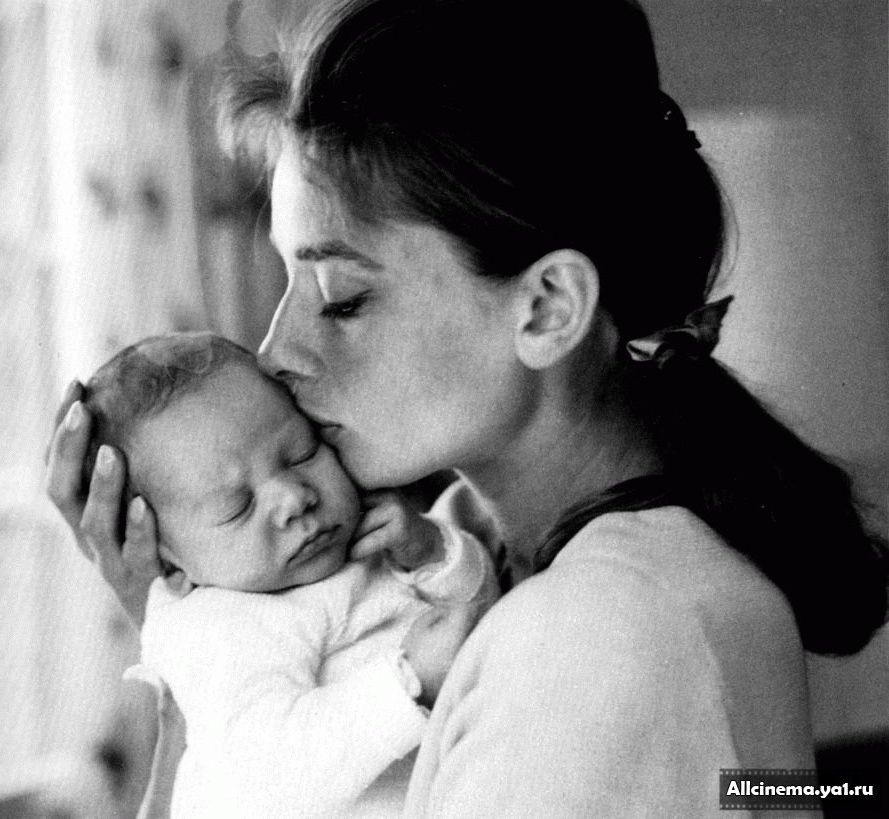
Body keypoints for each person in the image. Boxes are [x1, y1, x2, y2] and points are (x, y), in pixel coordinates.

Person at [46, 0, 888, 815]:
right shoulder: (460, 543)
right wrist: (203, 624)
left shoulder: (590, 633)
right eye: (287, 280)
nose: (274, 354)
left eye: (341, 297)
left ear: (547, 307)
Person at [81, 332, 497, 818]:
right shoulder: (217, 628)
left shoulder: (362, 541)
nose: (294, 498)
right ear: (169, 559)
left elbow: (482, 619)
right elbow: (271, 780)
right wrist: (408, 684)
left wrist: (432, 552)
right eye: (238, 506)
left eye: (302, 453)